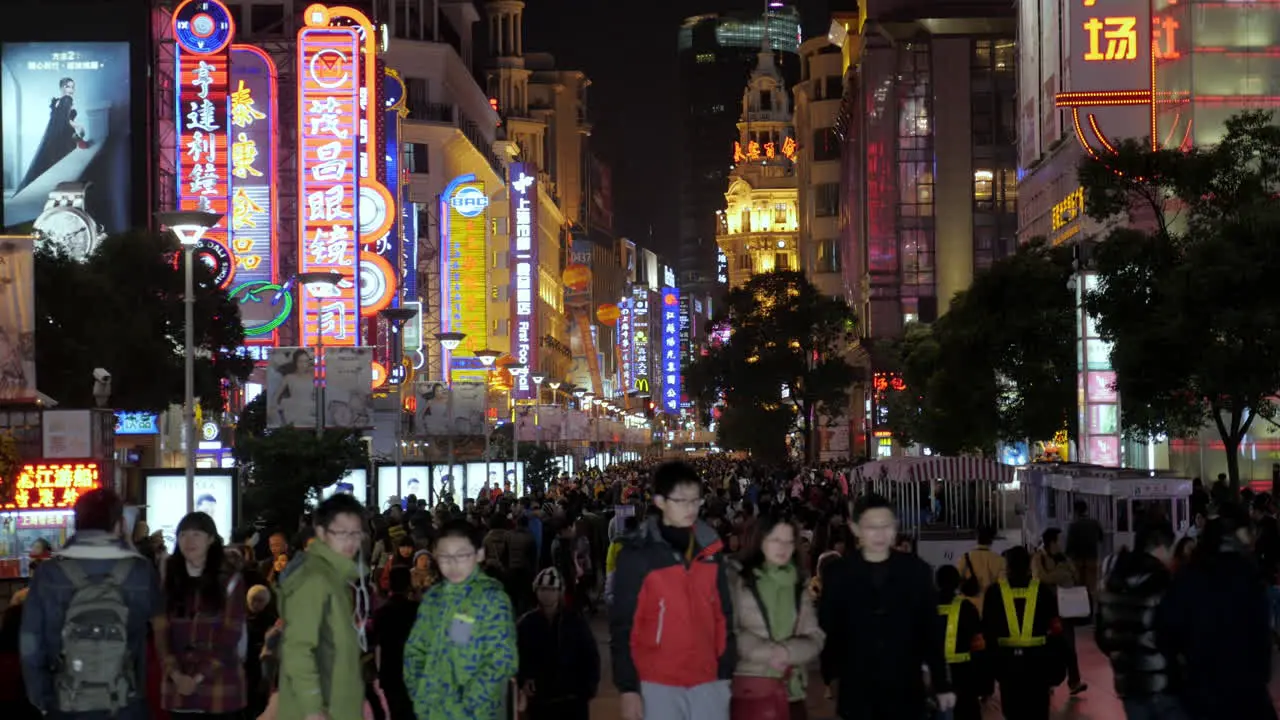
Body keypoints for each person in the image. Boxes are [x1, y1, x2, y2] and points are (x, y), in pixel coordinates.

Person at [20, 489, 163, 720]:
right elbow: (158, 630)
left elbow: (30, 642)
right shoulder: (140, 571)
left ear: (77, 523)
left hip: (65, 701)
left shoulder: (49, 573)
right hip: (126, 702)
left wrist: (42, 699)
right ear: (119, 525)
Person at [610, 461, 735, 720]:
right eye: (681, 501)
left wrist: (725, 669)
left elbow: (723, 612)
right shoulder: (638, 554)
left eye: (695, 501)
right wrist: (629, 688)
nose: (690, 508)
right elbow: (624, 626)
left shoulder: (710, 548)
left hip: (708, 680)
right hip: (657, 683)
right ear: (660, 501)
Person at [818, 493, 952, 720]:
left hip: (906, 693)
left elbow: (930, 631)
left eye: (886, 526)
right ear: (855, 528)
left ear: (895, 527)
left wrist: (941, 682)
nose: (880, 534)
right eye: (871, 526)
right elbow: (829, 630)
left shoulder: (917, 572)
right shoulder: (838, 575)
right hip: (857, 694)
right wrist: (831, 676)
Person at [1157, 507, 1277, 720]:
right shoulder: (1248, 576)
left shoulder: (1188, 576)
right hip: (1246, 691)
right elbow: (1261, 637)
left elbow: (1167, 633)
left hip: (1200, 690)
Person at [403, 519, 517, 720]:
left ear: (479, 554)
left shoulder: (491, 599)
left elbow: (501, 661)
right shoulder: (434, 598)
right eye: (445, 556)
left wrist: (462, 708)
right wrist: (422, 698)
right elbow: (415, 651)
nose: (452, 564)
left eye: (462, 555)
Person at [277, 493, 369, 720]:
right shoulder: (315, 580)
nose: (350, 542)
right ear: (321, 533)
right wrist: (312, 708)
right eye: (341, 533)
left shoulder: (335, 578)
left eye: (356, 534)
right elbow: (298, 648)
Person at [727, 513, 824, 720]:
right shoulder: (737, 579)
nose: (783, 548)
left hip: (792, 690)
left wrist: (788, 652)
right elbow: (727, 631)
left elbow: (815, 636)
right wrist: (770, 652)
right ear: (760, 540)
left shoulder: (799, 583)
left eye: (789, 542)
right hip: (751, 689)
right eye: (776, 540)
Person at [160, 512, 248, 717]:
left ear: (210, 539)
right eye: (183, 535)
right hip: (178, 687)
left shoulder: (229, 579)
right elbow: (162, 633)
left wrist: (198, 676)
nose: (188, 541)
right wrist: (175, 674)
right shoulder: (170, 579)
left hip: (220, 686)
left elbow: (230, 636)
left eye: (196, 534)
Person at [1094, 520, 1184, 719]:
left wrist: (1122, 655)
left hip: (1129, 686)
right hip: (1164, 685)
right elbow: (1176, 632)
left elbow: (1102, 636)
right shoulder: (1163, 582)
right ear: (1161, 547)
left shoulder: (1113, 581)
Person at [982, 546, 1065, 720]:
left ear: (1008, 566)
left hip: (1007, 665)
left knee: (1012, 712)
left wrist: (989, 671)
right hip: (1039, 664)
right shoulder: (1043, 591)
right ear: (1028, 566)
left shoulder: (994, 593)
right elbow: (1057, 631)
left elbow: (987, 633)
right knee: (1039, 711)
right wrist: (1058, 669)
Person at [516, 568, 600, 720]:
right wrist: (523, 680)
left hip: (571, 700)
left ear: (560, 592)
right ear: (536, 591)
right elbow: (515, 657)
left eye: (552, 589)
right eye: (543, 589)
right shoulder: (525, 624)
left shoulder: (575, 622)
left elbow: (590, 657)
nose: (547, 594)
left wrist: (587, 689)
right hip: (540, 702)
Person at [1033, 527, 1086, 694]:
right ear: (1051, 542)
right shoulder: (1038, 557)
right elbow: (1041, 577)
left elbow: (1075, 574)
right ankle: (1046, 682)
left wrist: (1060, 572)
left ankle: (1075, 681)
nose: (1060, 544)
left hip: (1066, 606)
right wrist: (1061, 573)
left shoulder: (1063, 557)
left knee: (1070, 645)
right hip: (1047, 608)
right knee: (1047, 645)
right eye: (1058, 541)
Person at [934, 565, 991, 720]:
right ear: (957, 584)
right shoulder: (967, 608)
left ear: (936, 583)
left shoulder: (926, 608)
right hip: (964, 676)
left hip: (935, 676)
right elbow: (979, 647)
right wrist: (984, 683)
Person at [373, 567, 420, 720]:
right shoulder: (417, 610)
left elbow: (374, 640)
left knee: (395, 713)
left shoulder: (382, 612)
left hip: (390, 671)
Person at [957, 525, 1005, 616]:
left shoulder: (965, 558)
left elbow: (957, 581)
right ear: (991, 540)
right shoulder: (999, 560)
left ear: (977, 538)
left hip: (968, 606)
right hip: (990, 607)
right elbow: (1002, 585)